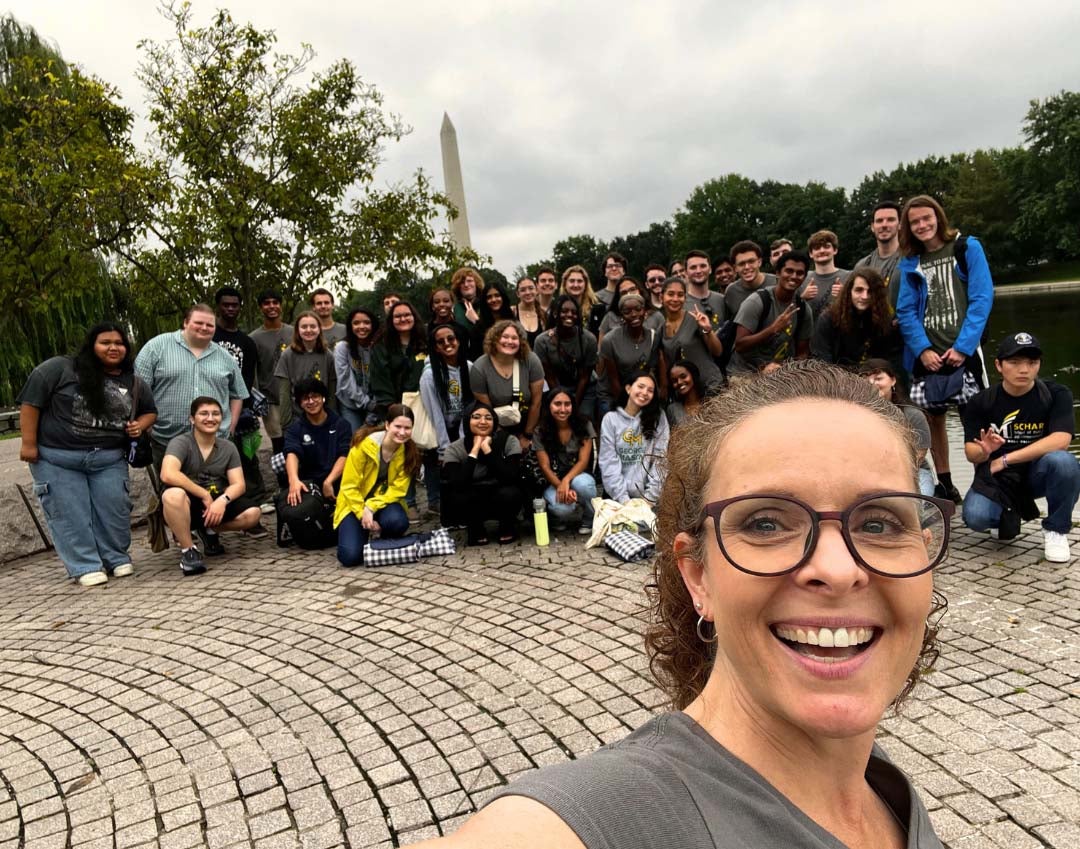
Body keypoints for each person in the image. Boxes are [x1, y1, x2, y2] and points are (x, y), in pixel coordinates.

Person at [415, 361, 951, 849]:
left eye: (880, 523)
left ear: (925, 556)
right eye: (766, 523)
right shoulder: (610, 819)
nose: (836, 570)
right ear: (699, 575)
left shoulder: (886, 791)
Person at [17, 323, 157, 586]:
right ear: (91, 345)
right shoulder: (58, 369)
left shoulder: (133, 381)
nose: (113, 347)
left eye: (119, 343)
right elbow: (30, 403)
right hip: (58, 459)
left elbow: (150, 410)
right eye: (105, 342)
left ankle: (116, 557)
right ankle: (85, 564)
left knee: (114, 509)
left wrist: (141, 425)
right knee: (70, 514)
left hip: (108, 459)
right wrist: (28, 443)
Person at [896, 194, 994, 504]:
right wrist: (922, 349)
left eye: (927, 218)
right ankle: (946, 483)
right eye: (915, 222)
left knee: (976, 417)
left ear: (938, 217)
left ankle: (984, 482)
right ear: (908, 228)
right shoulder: (911, 262)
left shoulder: (967, 248)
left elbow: (981, 298)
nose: (922, 225)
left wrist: (964, 347)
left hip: (964, 354)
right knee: (933, 420)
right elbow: (906, 311)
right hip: (928, 357)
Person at [960, 332, 1079, 562]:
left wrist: (1005, 458)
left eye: (1032, 363)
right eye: (1014, 363)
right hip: (999, 478)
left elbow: (1061, 440)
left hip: (1037, 472)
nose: (1023, 370)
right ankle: (1005, 517)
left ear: (1039, 365)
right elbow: (971, 454)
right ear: (999, 365)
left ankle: (1056, 530)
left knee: (1064, 462)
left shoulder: (1056, 395)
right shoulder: (981, 401)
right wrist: (985, 450)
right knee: (976, 516)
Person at [135, 303, 248, 469]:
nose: (204, 328)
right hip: (166, 440)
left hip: (215, 441)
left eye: (210, 325)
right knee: (172, 492)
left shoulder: (225, 357)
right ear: (186, 322)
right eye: (198, 323)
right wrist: (148, 426)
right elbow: (139, 390)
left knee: (214, 490)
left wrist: (231, 426)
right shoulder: (156, 347)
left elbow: (238, 394)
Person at [160, 397, 262, 575]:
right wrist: (203, 494)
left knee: (253, 514)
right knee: (172, 495)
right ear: (192, 419)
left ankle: (209, 527)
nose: (210, 418)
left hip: (216, 501)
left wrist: (222, 501)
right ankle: (188, 551)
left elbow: (239, 484)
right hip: (188, 502)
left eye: (215, 414)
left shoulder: (228, 447)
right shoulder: (181, 443)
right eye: (203, 414)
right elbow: (168, 473)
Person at [370, 301, 434, 521]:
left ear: (414, 316)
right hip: (395, 405)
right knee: (401, 454)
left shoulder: (425, 341)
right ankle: (409, 502)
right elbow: (379, 377)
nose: (403, 319)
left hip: (425, 405)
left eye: (407, 315)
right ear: (391, 319)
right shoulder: (381, 345)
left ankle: (434, 501)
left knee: (430, 451)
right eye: (398, 316)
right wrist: (392, 408)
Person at [333, 404, 418, 567]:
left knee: (398, 522)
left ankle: (382, 537)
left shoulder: (409, 451)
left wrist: (371, 507)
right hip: (354, 503)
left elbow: (398, 489)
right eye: (397, 426)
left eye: (407, 428)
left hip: (382, 502)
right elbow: (349, 486)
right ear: (387, 425)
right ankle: (363, 531)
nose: (402, 432)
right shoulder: (363, 445)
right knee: (349, 557)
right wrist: (362, 513)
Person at [213, 286, 269, 523]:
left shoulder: (246, 342)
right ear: (218, 306)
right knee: (217, 456)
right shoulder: (210, 335)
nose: (230, 309)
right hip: (213, 405)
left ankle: (257, 496)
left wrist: (243, 404)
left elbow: (248, 376)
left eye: (234, 305)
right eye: (226, 304)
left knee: (248, 452)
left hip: (242, 406)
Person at [277, 378, 352, 549]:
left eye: (315, 396)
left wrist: (329, 481)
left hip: (338, 481)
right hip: (310, 485)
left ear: (323, 398)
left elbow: (345, 455)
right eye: (305, 398)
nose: (311, 402)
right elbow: (291, 453)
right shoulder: (295, 429)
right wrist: (294, 480)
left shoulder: (341, 424)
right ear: (300, 403)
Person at [441, 400, 524, 545]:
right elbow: (458, 483)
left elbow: (509, 477)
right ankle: (476, 528)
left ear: (495, 422)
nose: (483, 422)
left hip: (500, 492)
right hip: (473, 496)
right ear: (467, 420)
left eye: (488, 418)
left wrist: (487, 450)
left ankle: (507, 526)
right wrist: (474, 450)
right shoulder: (454, 448)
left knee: (512, 492)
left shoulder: (509, 441)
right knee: (460, 496)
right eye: (476, 417)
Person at [859, 359, 935, 497]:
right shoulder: (855, 416)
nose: (872, 383)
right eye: (866, 379)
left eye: (878, 378)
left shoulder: (913, 415)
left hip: (913, 473)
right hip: (867, 474)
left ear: (893, 380)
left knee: (918, 503)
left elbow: (919, 455)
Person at [732, 250, 814, 374]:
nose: (794, 276)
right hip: (746, 372)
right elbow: (740, 345)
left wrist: (791, 371)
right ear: (778, 273)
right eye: (789, 271)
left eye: (800, 273)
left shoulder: (803, 309)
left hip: (780, 374)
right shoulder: (757, 301)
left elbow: (802, 352)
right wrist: (773, 329)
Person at [471, 320, 545, 451]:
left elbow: (537, 402)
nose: (510, 342)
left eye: (514, 338)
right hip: (495, 427)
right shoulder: (480, 367)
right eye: (504, 337)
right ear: (494, 339)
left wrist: (527, 436)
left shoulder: (531, 360)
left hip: (529, 424)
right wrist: (505, 439)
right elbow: (486, 411)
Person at [533, 388, 597, 534]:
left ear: (573, 406)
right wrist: (560, 485)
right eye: (557, 404)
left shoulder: (584, 424)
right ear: (549, 405)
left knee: (583, 485)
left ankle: (590, 517)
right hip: (553, 479)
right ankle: (557, 518)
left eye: (567, 404)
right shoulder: (540, 430)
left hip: (578, 474)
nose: (563, 409)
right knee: (561, 509)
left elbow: (583, 461)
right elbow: (544, 466)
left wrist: (566, 482)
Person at [599, 371, 669, 505]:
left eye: (650, 390)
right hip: (616, 497)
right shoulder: (610, 419)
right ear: (628, 388)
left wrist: (649, 499)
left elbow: (660, 459)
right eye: (641, 386)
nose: (645, 392)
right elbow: (608, 462)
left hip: (648, 498)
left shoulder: (658, 417)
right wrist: (624, 501)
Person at [811, 267, 903, 369]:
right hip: (835, 379)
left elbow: (889, 361)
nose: (865, 296)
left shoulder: (884, 321)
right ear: (849, 291)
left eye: (870, 291)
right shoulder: (828, 319)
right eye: (859, 290)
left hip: (872, 378)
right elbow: (821, 361)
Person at [598, 290, 665, 418]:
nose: (633, 314)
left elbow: (660, 365)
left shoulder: (653, 336)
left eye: (638, 309)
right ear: (621, 316)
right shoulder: (610, 340)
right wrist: (628, 407)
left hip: (641, 393)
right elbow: (613, 380)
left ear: (645, 311)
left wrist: (662, 390)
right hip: (615, 395)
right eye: (627, 312)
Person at [533, 295, 598, 419]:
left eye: (574, 312)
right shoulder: (542, 341)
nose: (569, 315)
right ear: (556, 313)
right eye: (564, 311)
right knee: (554, 418)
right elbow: (549, 376)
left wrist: (573, 405)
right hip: (556, 386)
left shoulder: (589, 339)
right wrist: (562, 401)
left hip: (584, 388)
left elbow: (585, 376)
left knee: (583, 417)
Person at [659, 277, 724, 394]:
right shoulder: (662, 329)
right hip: (687, 393)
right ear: (661, 297)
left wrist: (707, 330)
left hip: (711, 385)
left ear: (685, 298)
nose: (675, 299)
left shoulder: (695, 319)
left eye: (680, 295)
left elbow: (717, 351)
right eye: (670, 294)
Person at [274, 311, 336, 431]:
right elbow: (284, 393)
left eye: (313, 326)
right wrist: (286, 423)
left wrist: (331, 417)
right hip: (297, 417)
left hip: (322, 416)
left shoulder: (327, 355)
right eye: (304, 327)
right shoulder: (288, 355)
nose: (308, 330)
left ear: (319, 329)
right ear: (297, 330)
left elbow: (332, 390)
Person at [420, 323, 473, 460]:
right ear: (435, 348)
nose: (447, 343)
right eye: (440, 341)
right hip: (441, 435)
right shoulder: (429, 375)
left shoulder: (470, 367)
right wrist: (444, 450)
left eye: (451, 338)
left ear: (459, 341)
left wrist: (463, 442)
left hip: (465, 431)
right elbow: (434, 413)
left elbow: (471, 406)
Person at [249, 290, 293, 454]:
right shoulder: (254, 338)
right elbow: (253, 371)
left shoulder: (294, 332)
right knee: (278, 443)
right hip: (271, 399)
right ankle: (281, 478)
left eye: (275, 302)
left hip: (295, 396)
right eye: (267, 303)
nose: (271, 306)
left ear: (281, 306)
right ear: (261, 307)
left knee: (298, 438)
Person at [335, 307, 380, 432]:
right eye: (356, 323)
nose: (361, 326)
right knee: (354, 439)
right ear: (350, 326)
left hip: (377, 403)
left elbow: (383, 378)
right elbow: (345, 380)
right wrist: (365, 402)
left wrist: (374, 406)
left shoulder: (380, 347)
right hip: (350, 403)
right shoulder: (342, 347)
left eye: (366, 322)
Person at [855, 201, 903, 310]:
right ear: (872, 227)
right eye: (879, 221)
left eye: (890, 220)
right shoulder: (862, 266)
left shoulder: (912, 259)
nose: (884, 225)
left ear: (900, 224)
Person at [799, 230, 849, 318]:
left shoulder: (850, 277)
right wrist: (802, 298)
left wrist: (845, 296)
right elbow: (788, 309)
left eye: (826, 246)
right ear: (811, 253)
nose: (822, 251)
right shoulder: (801, 278)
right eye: (817, 248)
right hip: (810, 331)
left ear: (835, 250)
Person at [724, 240, 776, 317]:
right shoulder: (731, 292)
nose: (747, 267)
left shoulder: (776, 282)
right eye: (741, 264)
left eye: (751, 261)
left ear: (759, 262)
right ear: (735, 268)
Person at [684, 250, 726, 331]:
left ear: (710, 269)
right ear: (686, 273)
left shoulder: (722, 300)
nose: (698, 271)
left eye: (703, 266)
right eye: (693, 267)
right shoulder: (680, 303)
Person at [558, 265, 603, 336]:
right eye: (572, 281)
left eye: (579, 281)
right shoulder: (557, 308)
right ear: (565, 284)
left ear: (585, 284)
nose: (576, 285)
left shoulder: (597, 309)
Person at [451, 266, 485, 359]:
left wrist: (476, 320)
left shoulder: (486, 305)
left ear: (476, 283)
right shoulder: (453, 309)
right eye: (462, 282)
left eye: (469, 281)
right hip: (463, 359)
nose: (466, 285)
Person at [666, 361, 706, 428]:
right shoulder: (673, 409)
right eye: (674, 380)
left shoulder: (711, 402)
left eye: (683, 376)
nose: (679, 382)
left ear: (693, 375)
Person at [513, 277, 546, 347]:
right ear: (517, 294)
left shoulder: (543, 315)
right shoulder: (512, 312)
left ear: (537, 290)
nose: (527, 292)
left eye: (531, 288)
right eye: (523, 290)